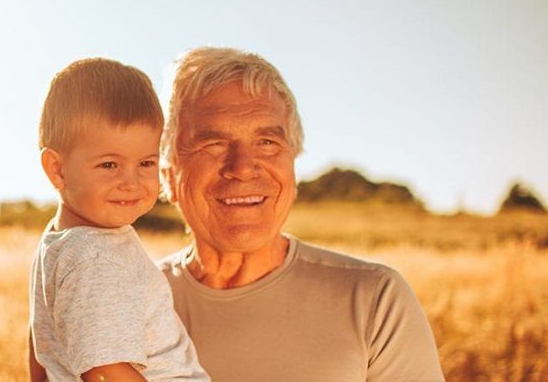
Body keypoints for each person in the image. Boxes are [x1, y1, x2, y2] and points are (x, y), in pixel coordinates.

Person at [155, 46, 444, 381]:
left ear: (292, 165)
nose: (243, 168)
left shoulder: (374, 300)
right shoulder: (123, 303)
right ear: (167, 174)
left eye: (267, 143)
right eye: (213, 144)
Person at [28, 58, 210, 382]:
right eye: (109, 165)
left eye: (145, 162)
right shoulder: (98, 257)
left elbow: (40, 340)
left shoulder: (58, 241)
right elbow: (106, 370)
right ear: (57, 169)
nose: (132, 182)